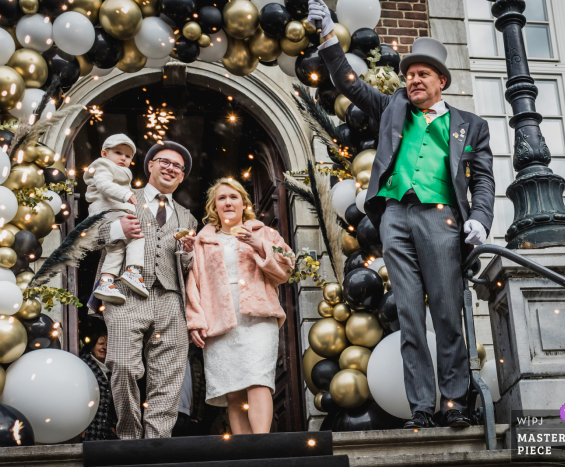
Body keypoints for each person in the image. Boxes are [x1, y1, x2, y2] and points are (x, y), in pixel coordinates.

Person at [308, 1, 495, 429]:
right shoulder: (392, 109)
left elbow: (482, 179)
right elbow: (351, 85)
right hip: (395, 216)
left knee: (447, 315)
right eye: (409, 74)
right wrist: (327, 40)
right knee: (409, 315)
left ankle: (455, 404)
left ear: (441, 81)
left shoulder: (470, 125)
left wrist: (480, 218)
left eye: (421, 75)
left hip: (442, 220)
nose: (412, 80)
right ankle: (422, 408)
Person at [97, 141, 198, 439]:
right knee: (123, 365)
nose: (170, 168)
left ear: (181, 178)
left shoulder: (188, 217)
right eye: (164, 161)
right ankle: (128, 435)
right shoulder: (122, 196)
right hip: (126, 292)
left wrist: (186, 253)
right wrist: (119, 230)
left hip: (170, 298)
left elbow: (188, 268)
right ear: (150, 165)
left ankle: (157, 443)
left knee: (167, 376)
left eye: (177, 167)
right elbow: (92, 234)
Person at [185, 178, 293, 434]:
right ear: (215, 206)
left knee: (258, 382)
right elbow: (194, 283)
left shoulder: (264, 233)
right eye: (221, 198)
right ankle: (245, 452)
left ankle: (263, 447)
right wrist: (196, 321)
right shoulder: (203, 240)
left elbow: (288, 266)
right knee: (233, 392)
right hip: (218, 319)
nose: (228, 202)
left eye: (233, 197)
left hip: (258, 317)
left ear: (244, 203)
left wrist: (260, 246)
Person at [85, 134, 149, 305]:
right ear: (104, 154)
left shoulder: (116, 169)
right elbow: (103, 185)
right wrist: (126, 193)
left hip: (110, 213)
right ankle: (133, 271)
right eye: (118, 152)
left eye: (128, 156)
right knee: (136, 237)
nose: (123, 158)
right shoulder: (103, 166)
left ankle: (106, 282)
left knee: (116, 248)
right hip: (108, 212)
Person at [80, 331, 118, 441]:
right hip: (87, 430)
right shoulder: (84, 366)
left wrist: (113, 425)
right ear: (92, 346)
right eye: (101, 343)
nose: (105, 348)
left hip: (106, 433)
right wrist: (78, 426)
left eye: (108, 344)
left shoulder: (113, 370)